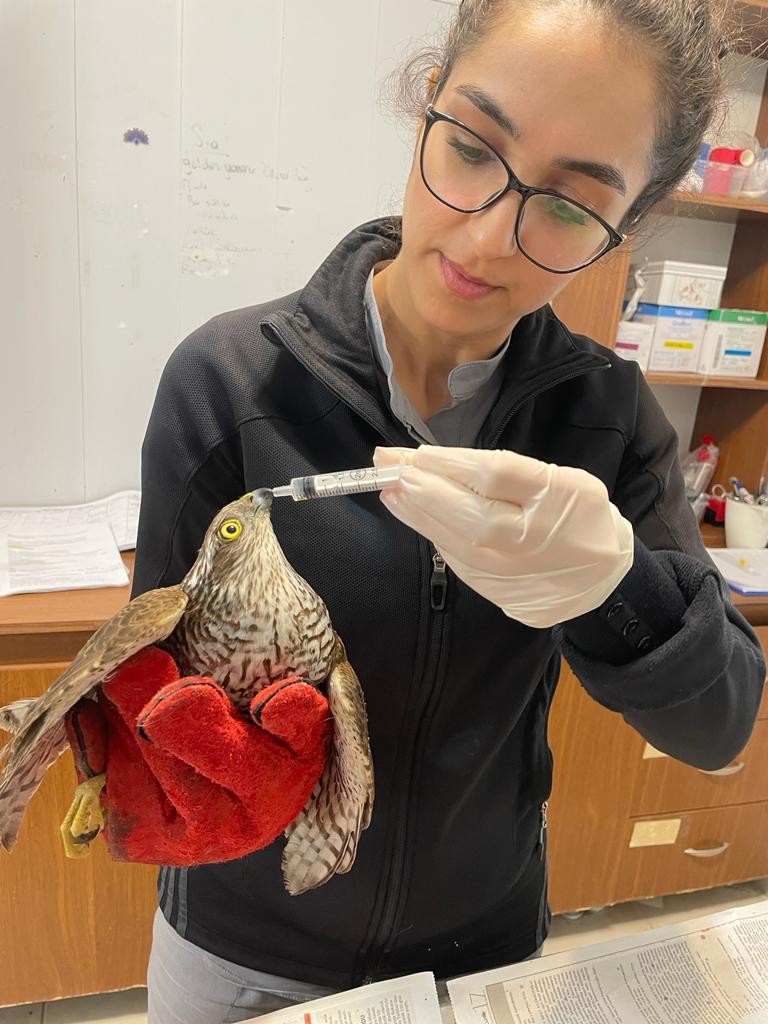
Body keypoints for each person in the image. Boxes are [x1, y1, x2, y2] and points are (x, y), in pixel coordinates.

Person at [132, 1, 766, 1021]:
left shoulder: (605, 418)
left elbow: (719, 724)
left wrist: (615, 588)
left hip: (480, 953)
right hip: (248, 954)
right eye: (471, 147)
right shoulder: (229, 382)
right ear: (427, 106)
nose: (486, 235)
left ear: (629, 222)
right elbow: (149, 698)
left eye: (571, 206)